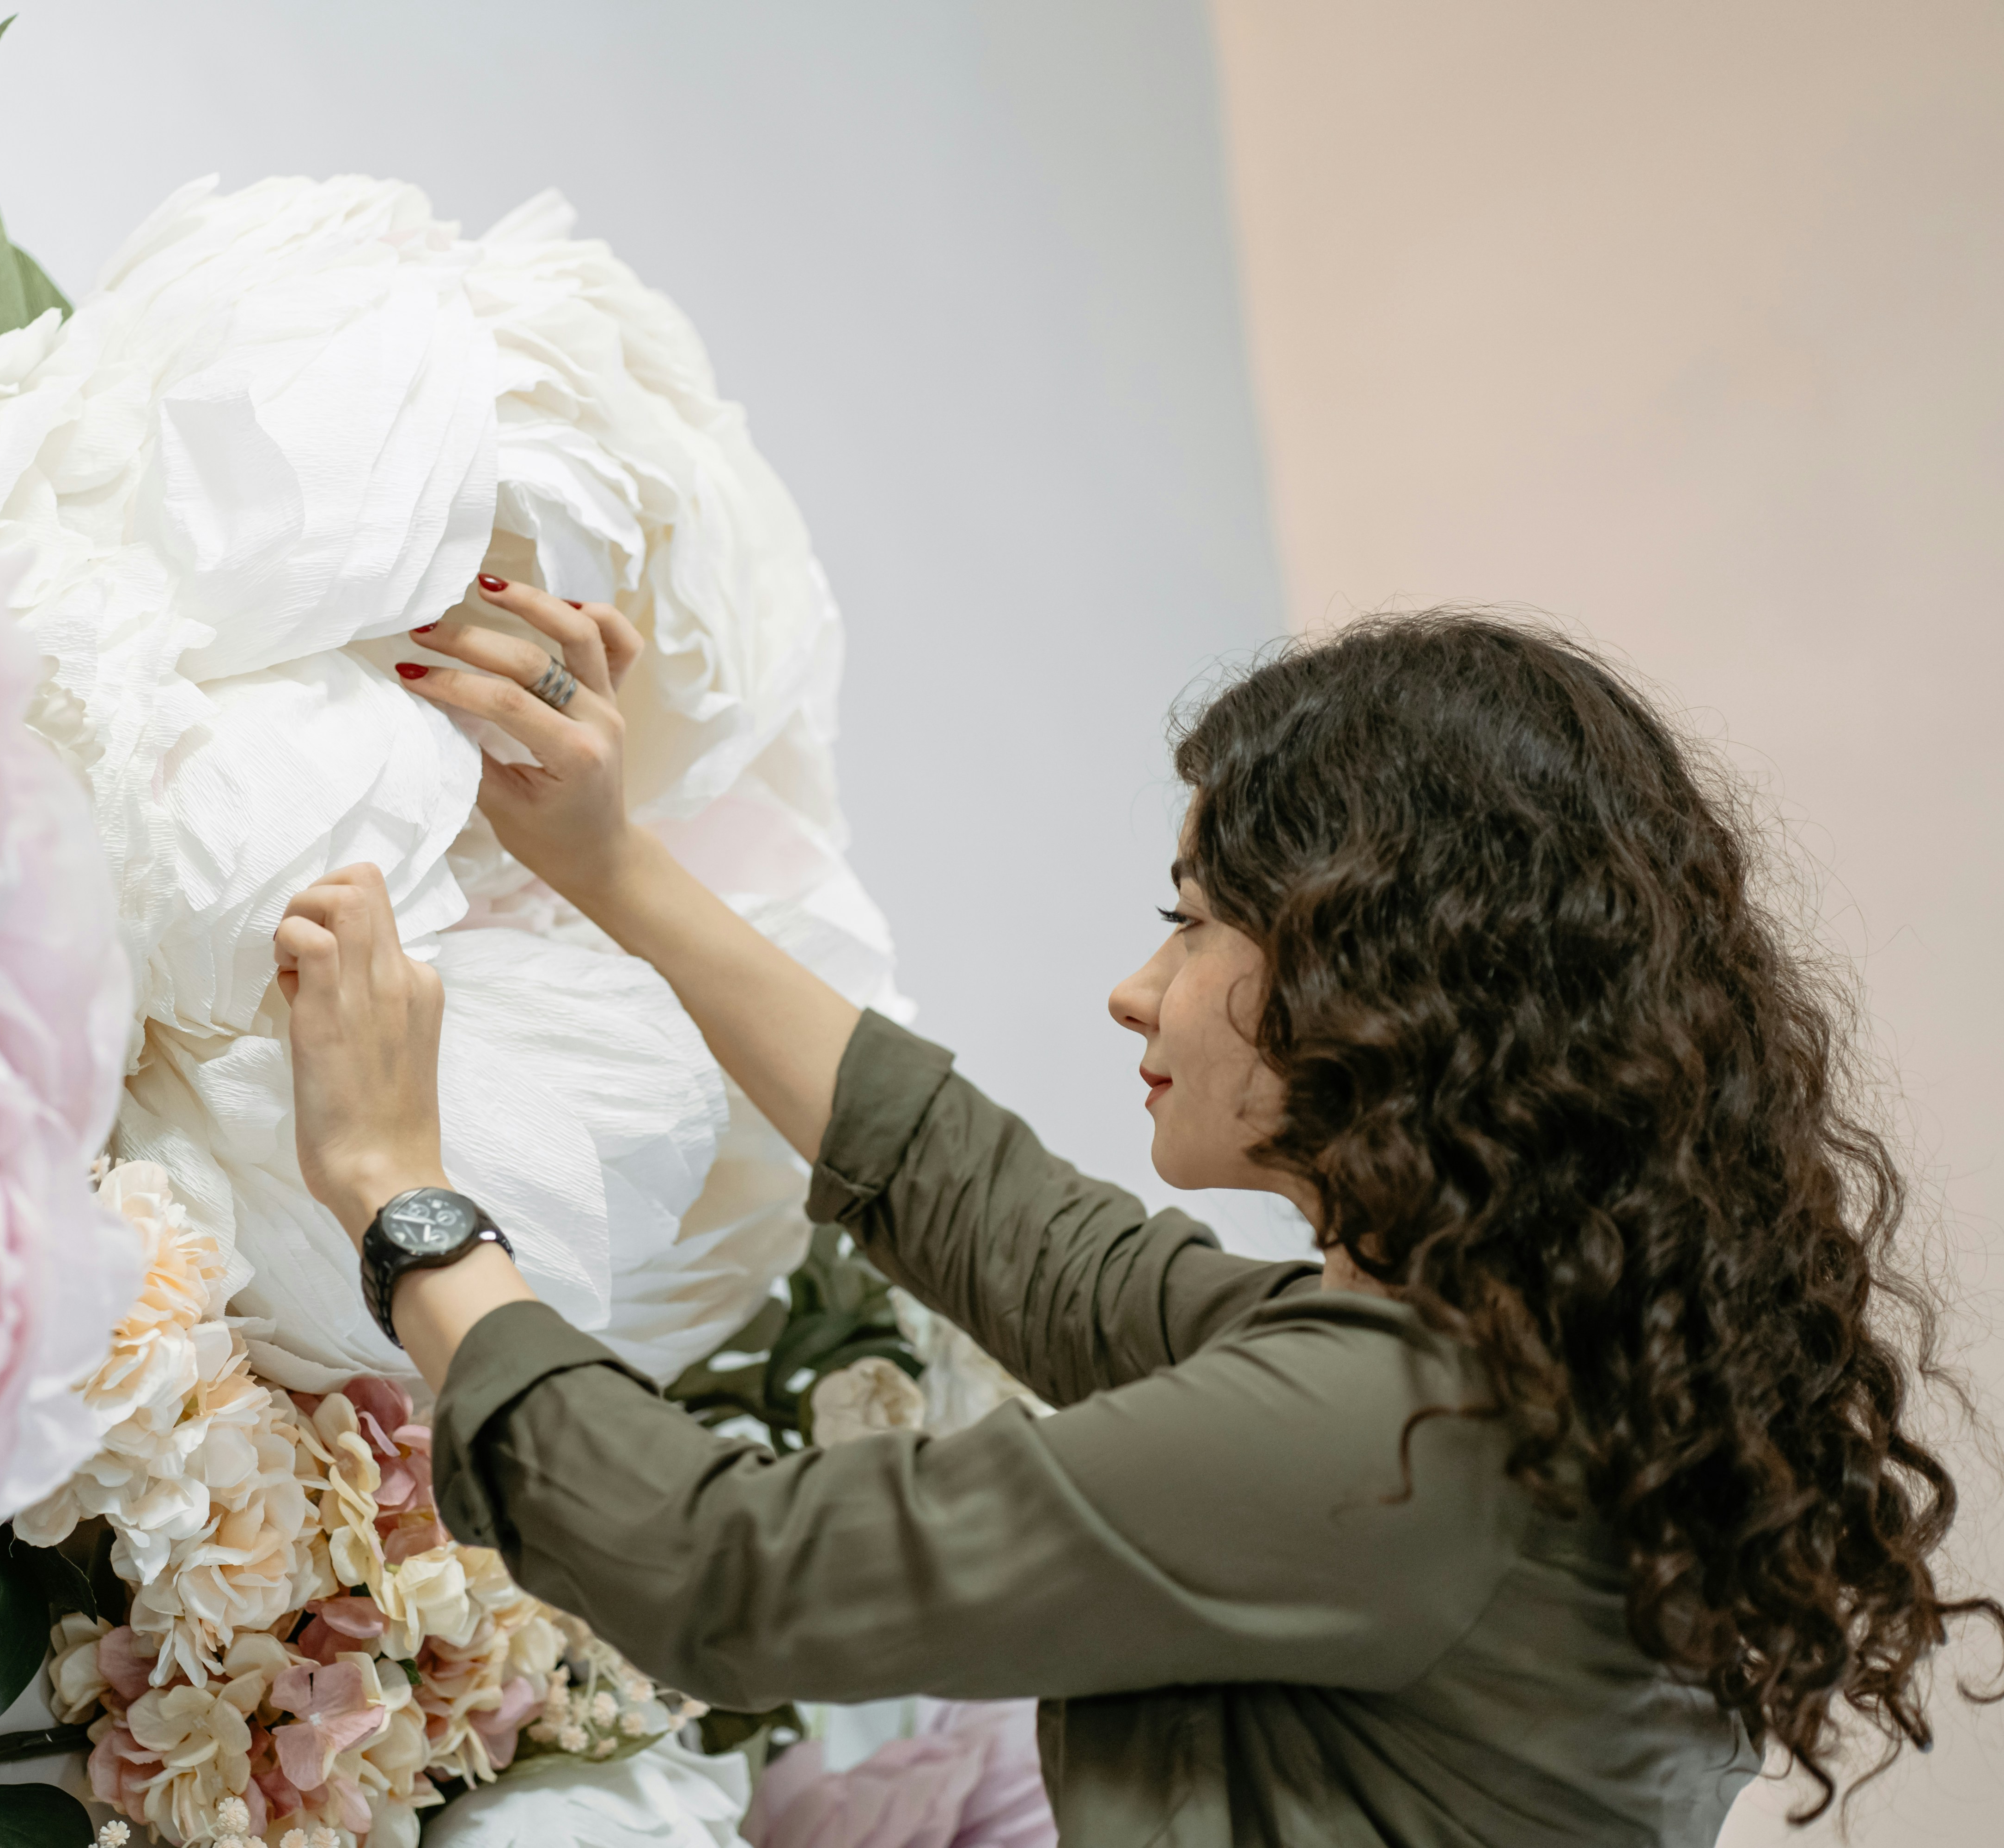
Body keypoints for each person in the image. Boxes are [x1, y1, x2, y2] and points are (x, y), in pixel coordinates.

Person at [274, 583, 1994, 1846]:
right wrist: (611, 863)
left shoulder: (1390, 1439)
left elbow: (722, 1566)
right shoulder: (1477, 1386)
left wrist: (402, 1198)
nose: (1133, 990)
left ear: (1377, 976)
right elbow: (997, 1210)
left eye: (1189, 925)